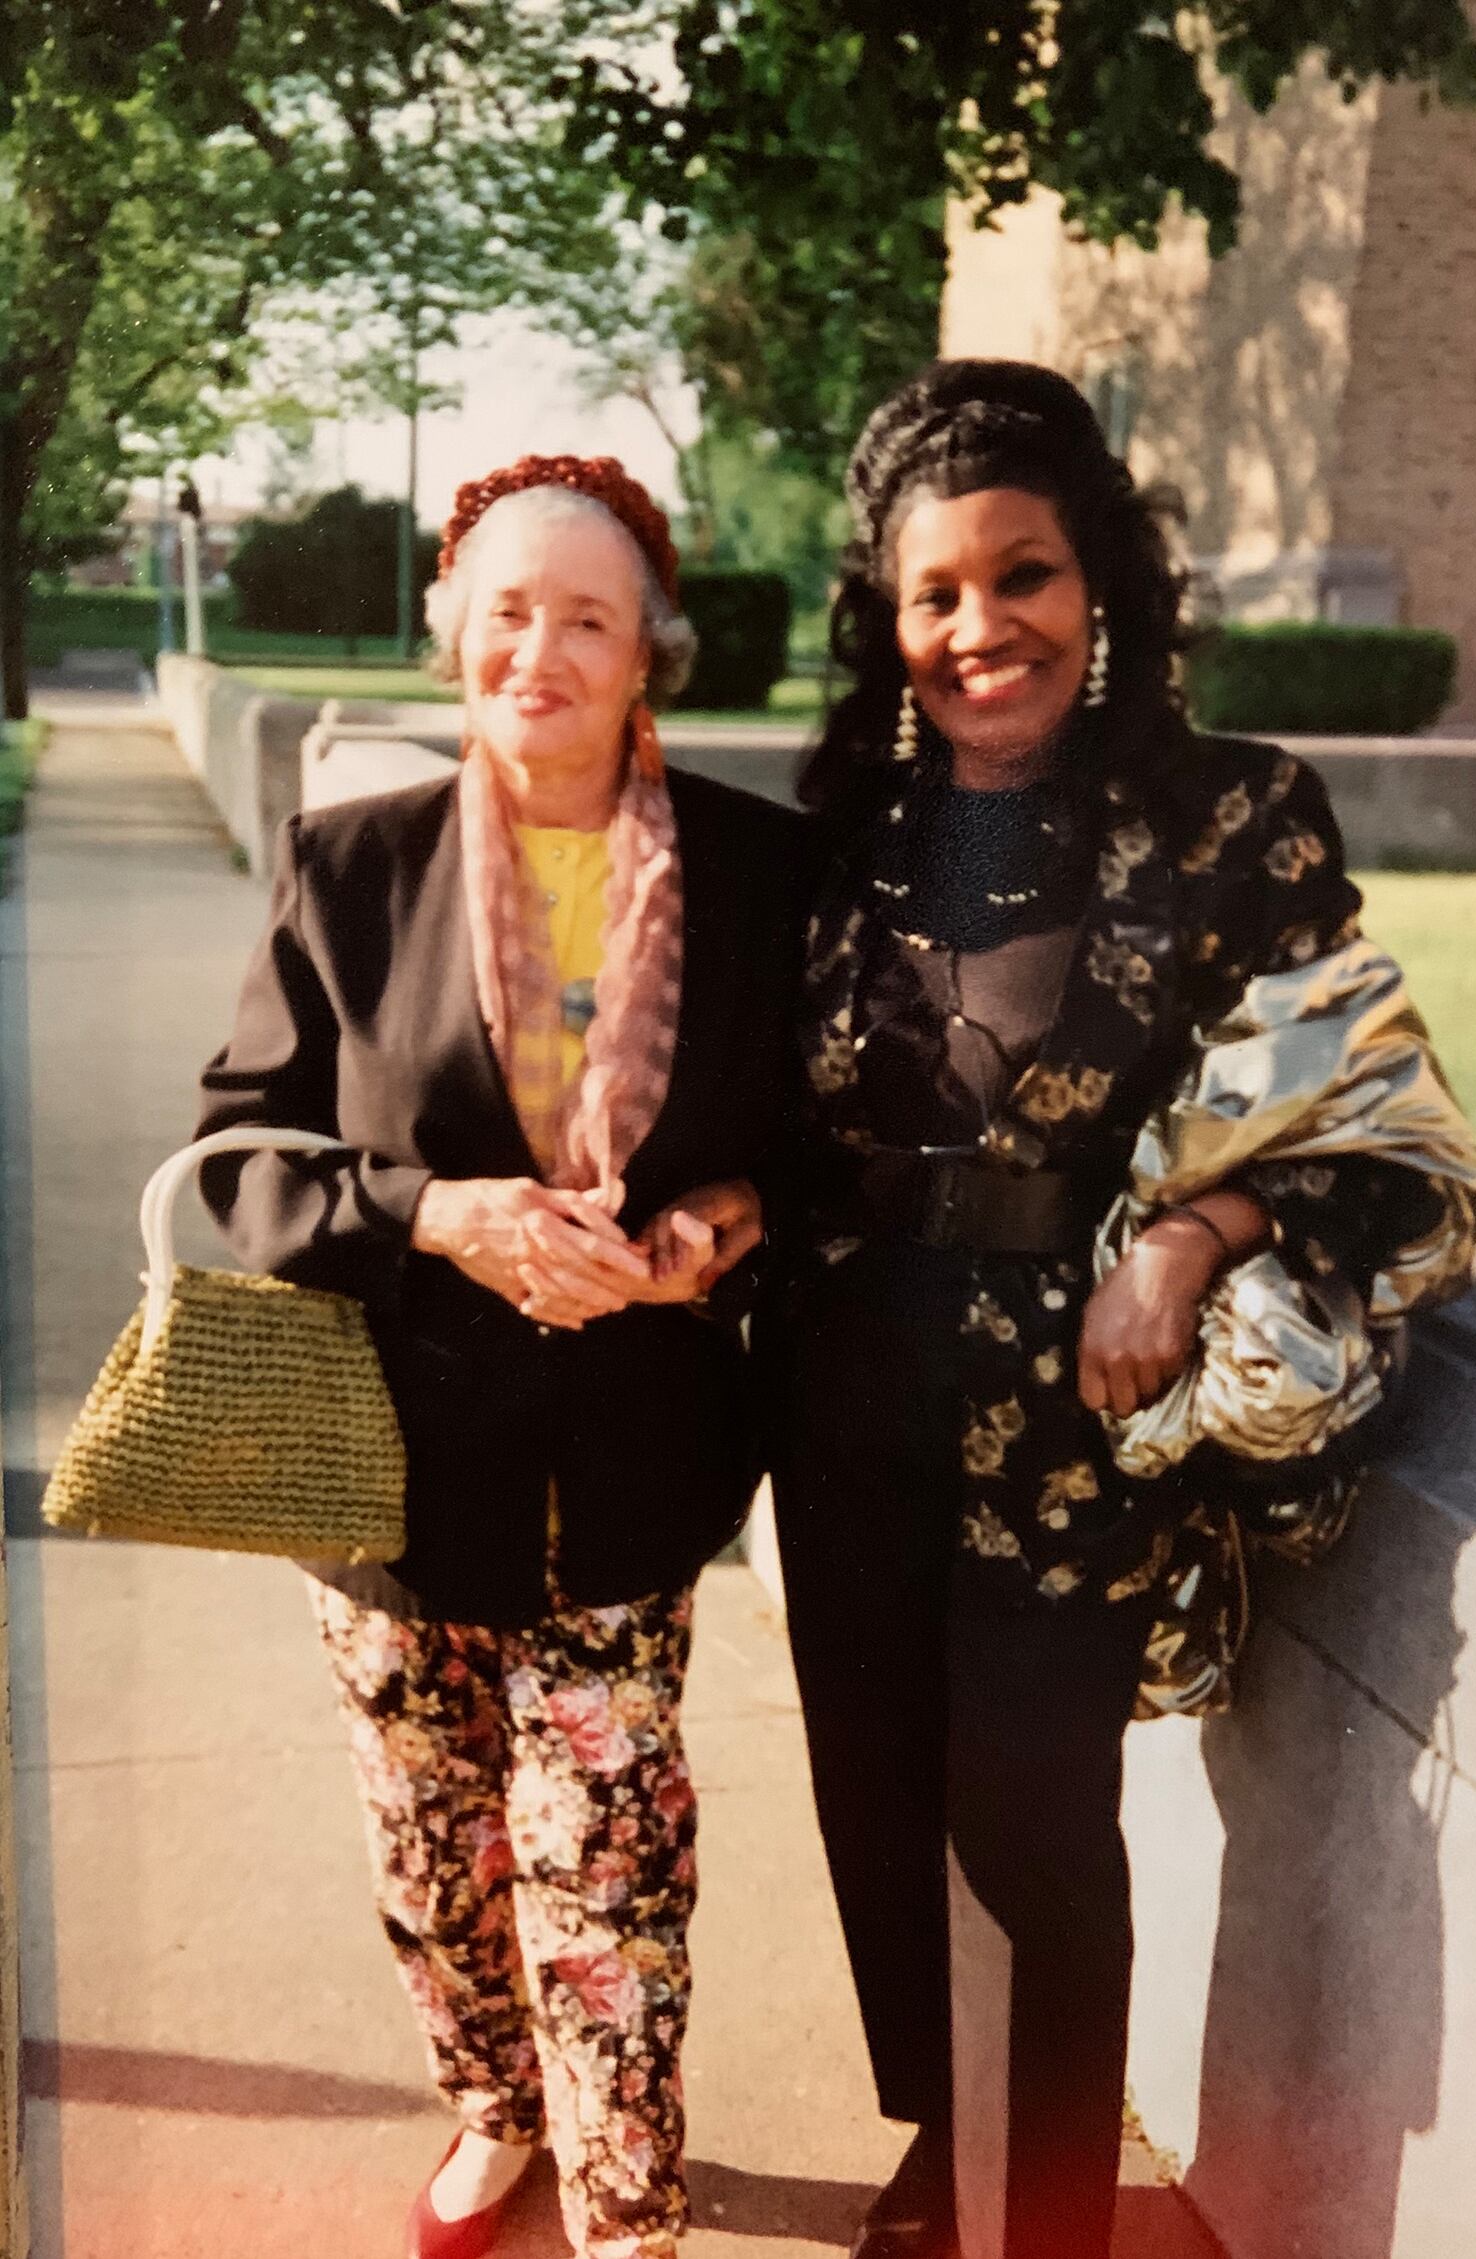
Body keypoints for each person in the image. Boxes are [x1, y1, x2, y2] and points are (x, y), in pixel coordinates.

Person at [761, 360, 1476, 2259]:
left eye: (1026, 575)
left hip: (1071, 1419)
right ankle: (949, 2140)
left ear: (1104, 587)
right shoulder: (841, 821)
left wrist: (1197, 1233)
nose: (981, 627)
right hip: (838, 1393)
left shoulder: (1236, 815)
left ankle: (1039, 2222)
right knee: (877, 1788)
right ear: (887, 614)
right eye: (936, 592)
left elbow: (1386, 1122)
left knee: (1035, 1833)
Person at [195, 453, 801, 2259]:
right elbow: (243, 1160)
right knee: (437, 1858)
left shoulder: (761, 873)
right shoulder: (350, 868)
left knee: (607, 1867)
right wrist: (438, 1214)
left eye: (587, 619)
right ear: (456, 628)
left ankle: (627, 2204)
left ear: (647, 658)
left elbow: (834, 1135)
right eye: (506, 610)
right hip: (390, 1469)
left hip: (629, 1468)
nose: (537, 647)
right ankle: (494, 2107)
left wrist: (729, 1220)